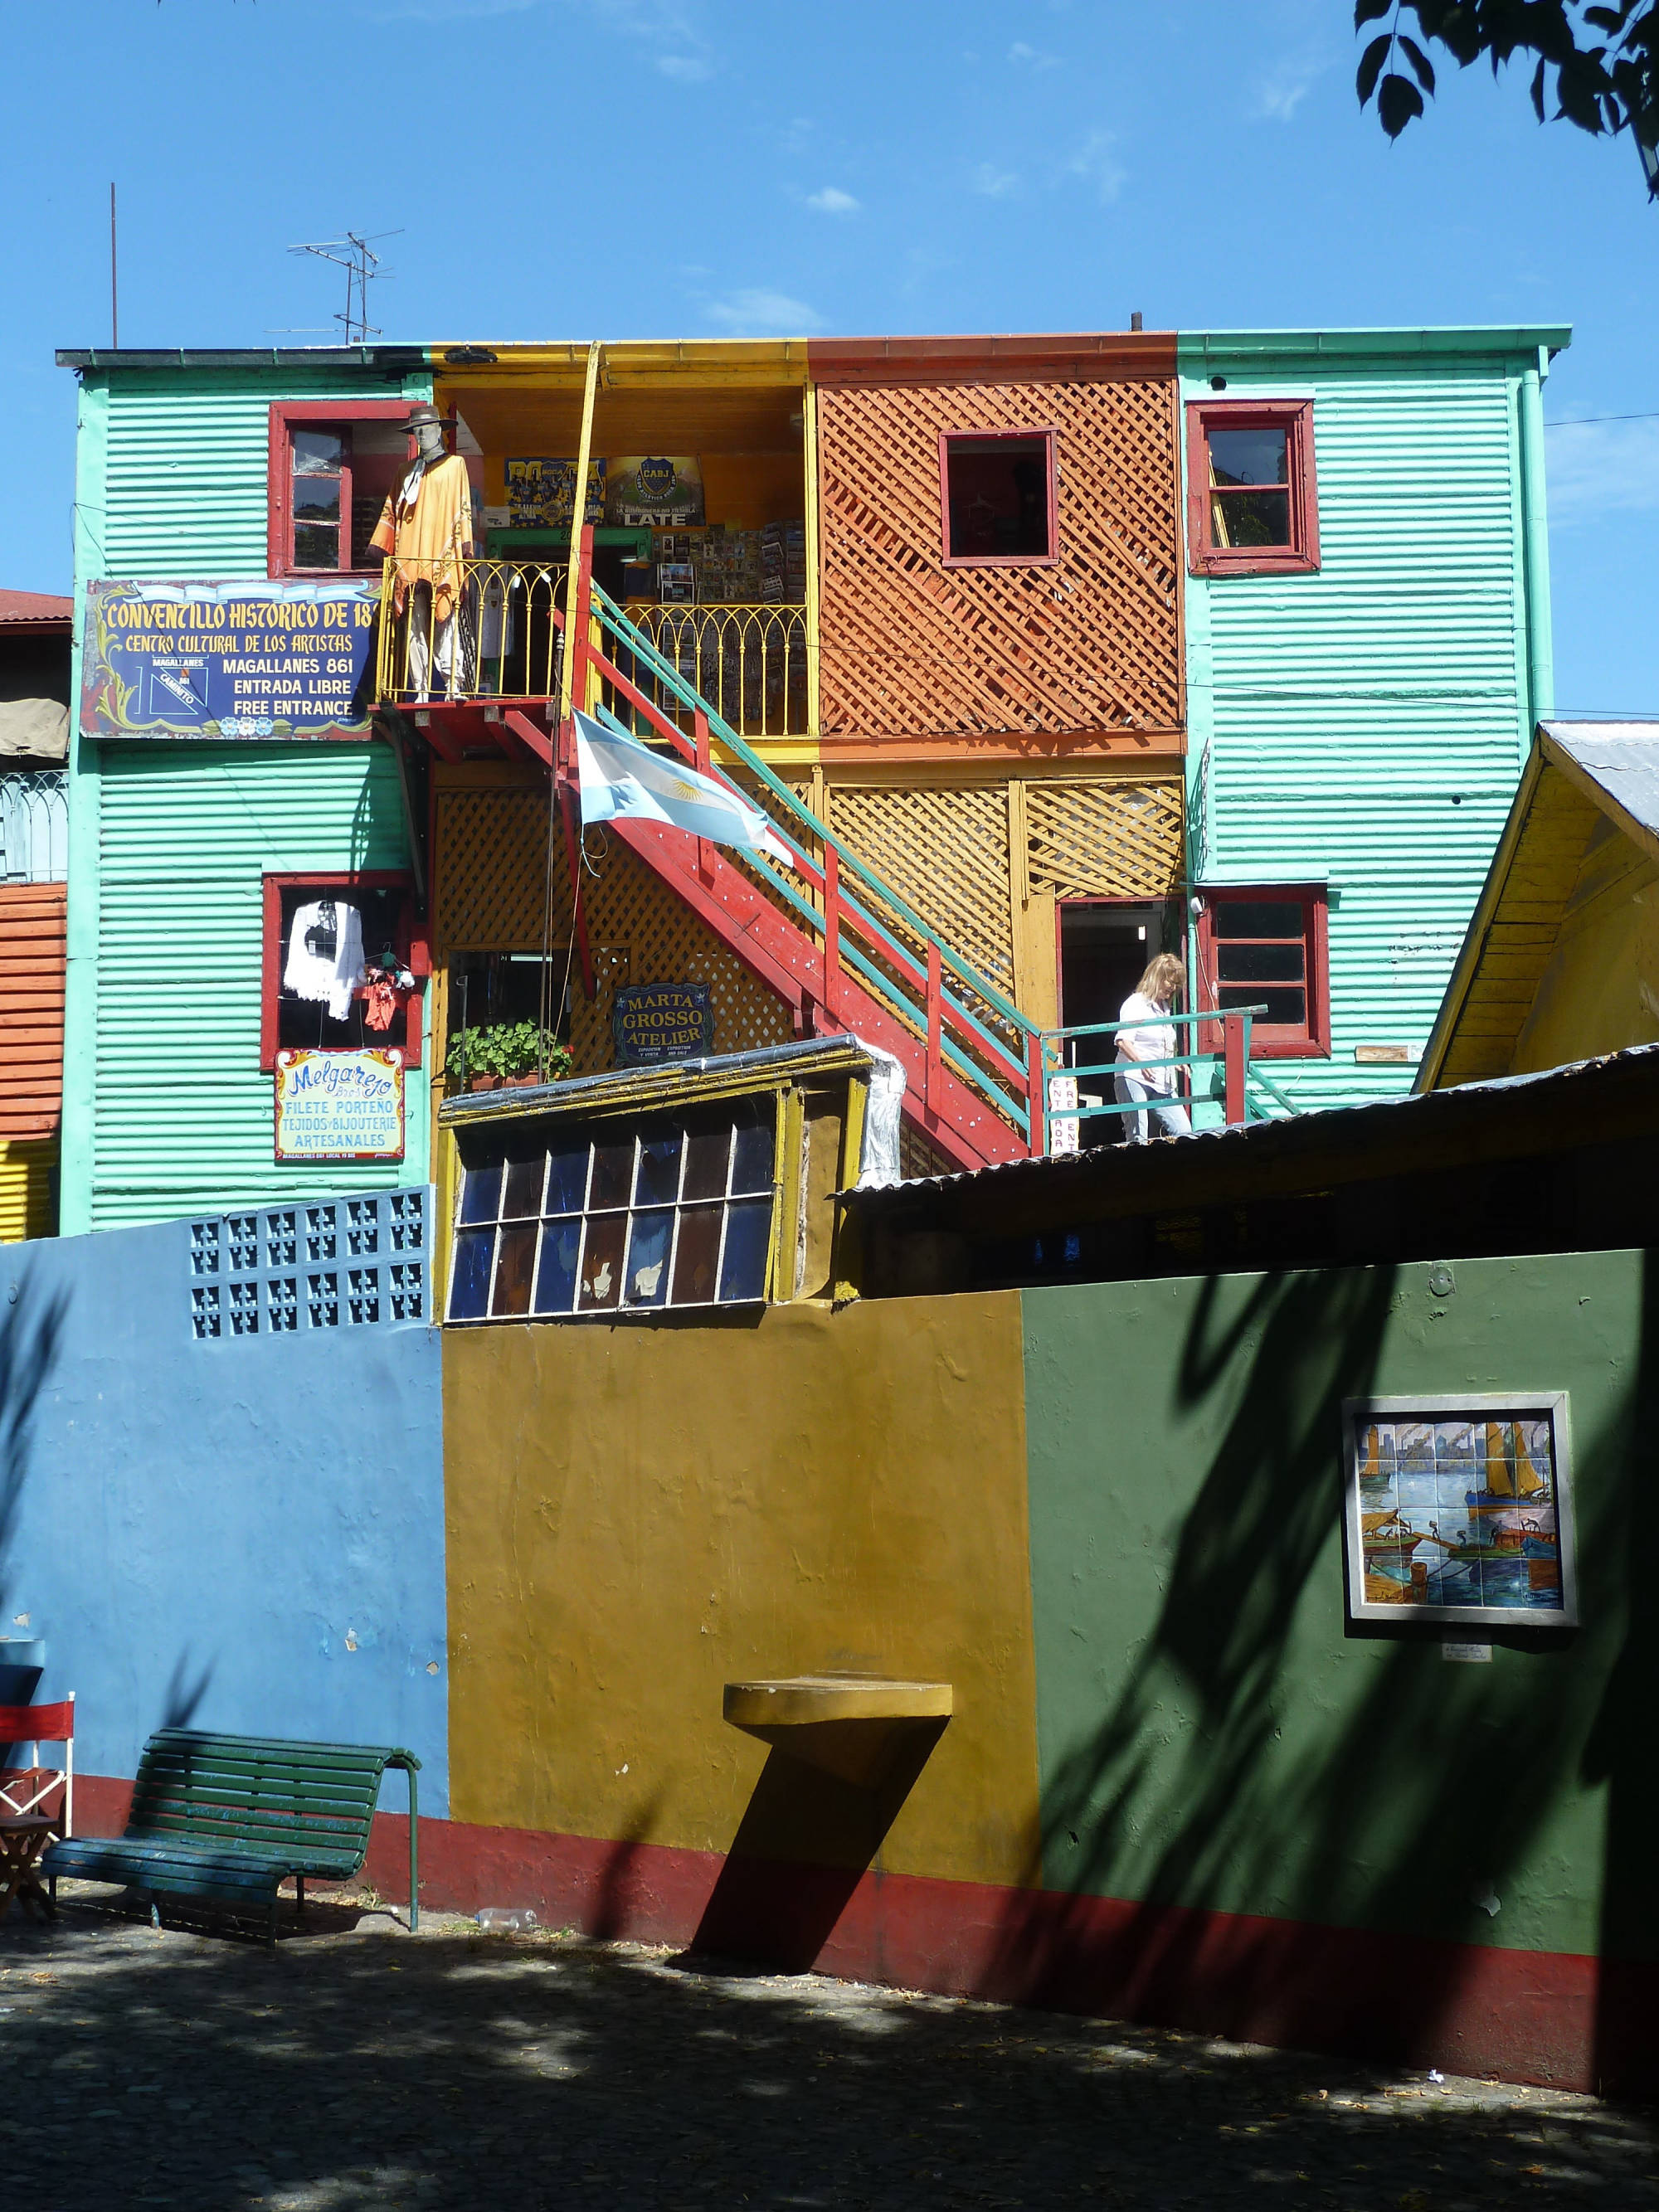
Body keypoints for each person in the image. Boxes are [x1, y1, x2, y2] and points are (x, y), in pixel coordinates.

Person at [1113, 951, 1191, 1145]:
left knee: (1184, 1131)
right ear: (1157, 978)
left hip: (1161, 1081)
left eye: (1176, 984)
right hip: (1134, 1077)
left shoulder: (1164, 1008)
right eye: (1170, 982)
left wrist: (1175, 1063)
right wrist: (1141, 1063)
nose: (1173, 988)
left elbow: (1164, 1042)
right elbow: (1123, 1040)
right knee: (1138, 1134)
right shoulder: (1136, 1003)